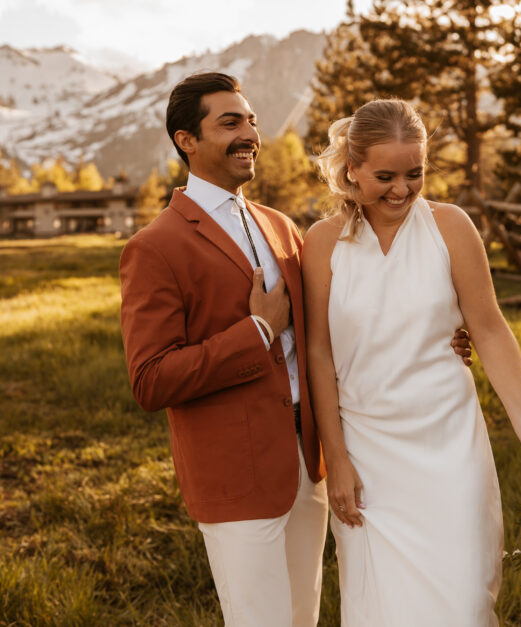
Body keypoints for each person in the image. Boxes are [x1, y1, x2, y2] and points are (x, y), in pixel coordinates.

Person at [120, 73, 475, 626]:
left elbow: (330, 331)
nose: (250, 133)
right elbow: (150, 380)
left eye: (253, 120)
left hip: (309, 466)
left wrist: (441, 333)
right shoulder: (155, 246)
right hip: (234, 476)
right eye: (230, 122)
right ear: (186, 140)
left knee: (302, 620)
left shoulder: (282, 228)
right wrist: (257, 334)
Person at [301, 99, 521, 626]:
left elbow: (489, 328)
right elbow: (317, 352)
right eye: (384, 176)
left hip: (450, 448)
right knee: (378, 609)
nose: (401, 189)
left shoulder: (450, 227)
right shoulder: (322, 244)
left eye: (415, 174)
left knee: (463, 604)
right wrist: (334, 456)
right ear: (351, 170)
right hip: (366, 456)